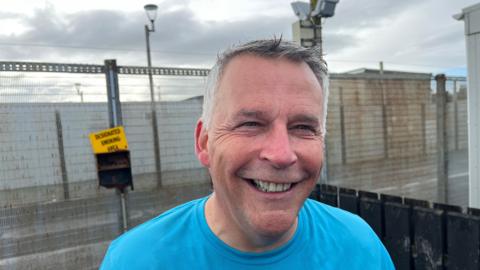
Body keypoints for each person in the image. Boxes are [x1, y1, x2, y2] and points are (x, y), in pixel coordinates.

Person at [100, 39, 394, 269]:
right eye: (251, 124)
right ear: (204, 143)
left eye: (303, 127)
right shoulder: (134, 261)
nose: (281, 155)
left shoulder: (360, 246)